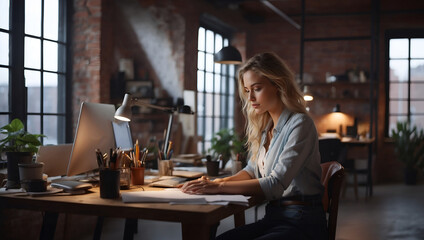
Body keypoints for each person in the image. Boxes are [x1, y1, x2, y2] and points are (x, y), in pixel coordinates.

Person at [181, 52, 328, 240]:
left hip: (302, 221)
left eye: (256, 88)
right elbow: (251, 171)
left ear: (277, 85)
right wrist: (216, 183)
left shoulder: (300, 124)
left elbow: (275, 184)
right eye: (247, 90)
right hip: (274, 216)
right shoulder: (265, 127)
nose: (250, 98)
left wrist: (219, 188)